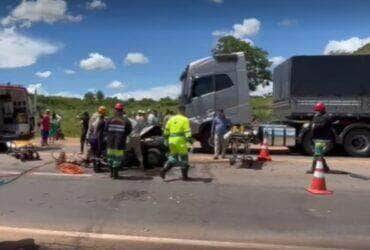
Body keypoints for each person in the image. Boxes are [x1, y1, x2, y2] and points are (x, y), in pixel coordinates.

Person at [160, 105, 192, 181]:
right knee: (184, 157)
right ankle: (185, 177)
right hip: (180, 140)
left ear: (177, 111)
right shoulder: (185, 119)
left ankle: (163, 170)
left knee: (173, 157)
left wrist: (166, 140)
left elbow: (166, 131)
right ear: (183, 110)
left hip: (171, 140)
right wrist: (189, 142)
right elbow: (187, 131)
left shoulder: (171, 119)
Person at [105, 103, 132, 179]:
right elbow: (129, 131)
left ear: (115, 110)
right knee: (117, 159)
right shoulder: (126, 120)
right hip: (119, 143)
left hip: (110, 143)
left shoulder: (109, 119)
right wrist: (122, 136)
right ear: (122, 110)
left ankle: (111, 173)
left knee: (110, 158)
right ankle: (115, 175)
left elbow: (105, 129)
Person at [309, 102, 332, 173]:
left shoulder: (326, 117)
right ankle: (325, 168)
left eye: (317, 110)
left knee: (317, 154)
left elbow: (322, 125)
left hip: (323, 139)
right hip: (317, 138)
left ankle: (313, 169)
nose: (316, 112)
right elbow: (312, 123)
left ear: (321, 110)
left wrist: (314, 125)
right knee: (319, 154)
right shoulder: (316, 116)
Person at [87, 106, 107, 172]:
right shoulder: (101, 119)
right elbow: (99, 130)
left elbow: (91, 127)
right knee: (98, 152)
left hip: (91, 136)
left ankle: (92, 163)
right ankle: (97, 167)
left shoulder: (94, 116)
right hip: (97, 138)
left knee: (93, 151)